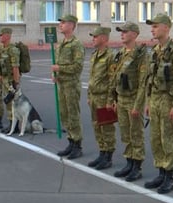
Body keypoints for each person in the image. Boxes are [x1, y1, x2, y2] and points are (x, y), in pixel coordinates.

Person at [144, 13, 173, 194]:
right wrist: (148, 100)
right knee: (155, 138)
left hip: (168, 99)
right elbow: (150, 78)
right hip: (155, 99)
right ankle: (160, 171)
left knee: (167, 138)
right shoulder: (155, 50)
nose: (152, 29)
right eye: (151, 26)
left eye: (155, 26)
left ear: (166, 27)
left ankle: (170, 176)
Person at [110, 22, 148, 181]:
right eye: (121, 32)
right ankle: (129, 162)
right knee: (126, 134)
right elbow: (114, 77)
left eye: (125, 32)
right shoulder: (120, 53)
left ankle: (137, 167)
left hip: (133, 100)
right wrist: (114, 99)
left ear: (134, 34)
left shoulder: (140, 55)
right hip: (121, 99)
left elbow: (142, 82)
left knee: (136, 134)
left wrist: (138, 105)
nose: (122, 34)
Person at [51, 15, 85, 160]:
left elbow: (78, 66)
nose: (61, 25)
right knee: (64, 114)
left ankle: (77, 145)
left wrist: (60, 68)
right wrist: (55, 73)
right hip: (61, 83)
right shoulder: (61, 43)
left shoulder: (76, 44)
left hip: (71, 84)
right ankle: (71, 141)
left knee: (73, 115)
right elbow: (58, 63)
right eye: (61, 22)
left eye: (64, 23)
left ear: (72, 25)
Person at [87, 26, 116, 170]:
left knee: (106, 128)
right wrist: (88, 95)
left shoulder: (110, 56)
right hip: (94, 97)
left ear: (104, 38)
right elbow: (92, 77)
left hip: (104, 98)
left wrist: (110, 100)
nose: (93, 39)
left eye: (95, 36)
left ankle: (108, 156)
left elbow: (112, 80)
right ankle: (102, 152)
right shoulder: (94, 55)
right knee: (96, 126)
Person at [0, 27, 21, 133]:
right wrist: (1, 75)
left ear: (7, 36)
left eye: (1, 35)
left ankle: (15, 126)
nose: (0, 37)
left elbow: (15, 67)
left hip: (11, 80)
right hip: (5, 79)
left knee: (12, 103)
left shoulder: (13, 50)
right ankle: (11, 123)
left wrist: (16, 83)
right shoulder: (3, 49)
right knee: (7, 102)